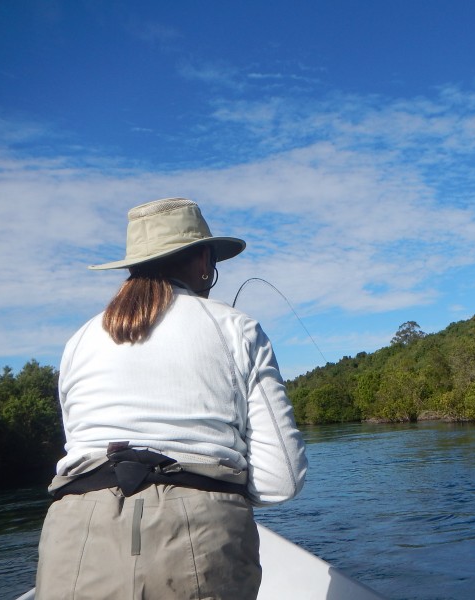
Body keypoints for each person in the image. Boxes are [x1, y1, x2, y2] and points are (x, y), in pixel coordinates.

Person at [36, 197, 307, 600]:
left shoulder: (77, 342)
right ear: (202, 261)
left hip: (72, 534)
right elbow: (280, 480)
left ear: (132, 265)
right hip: (199, 536)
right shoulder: (238, 329)